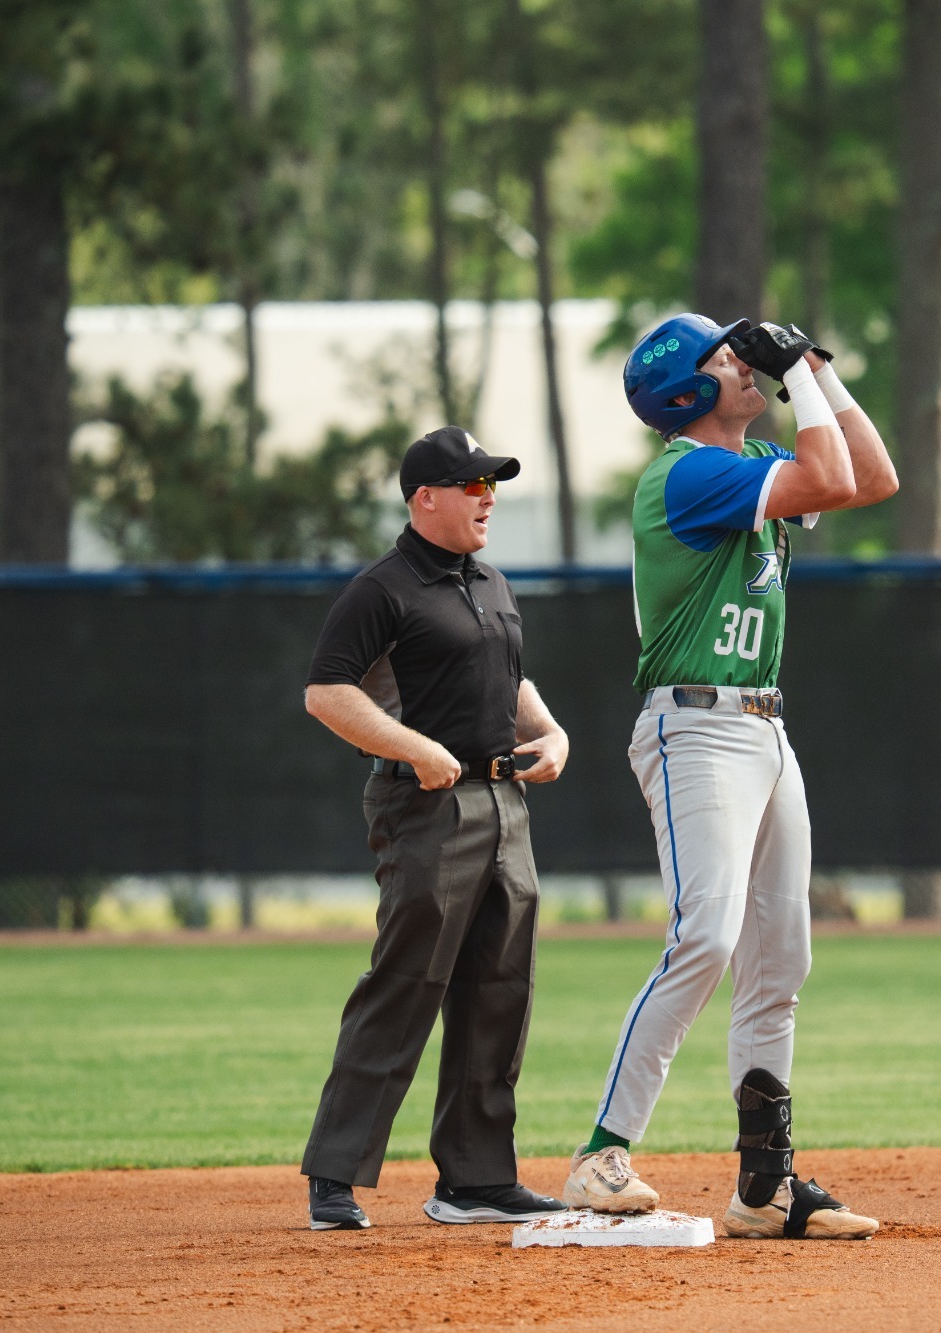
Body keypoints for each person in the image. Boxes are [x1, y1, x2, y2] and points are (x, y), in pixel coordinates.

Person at [560, 315, 898, 1239]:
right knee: (704, 936)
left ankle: (765, 1188)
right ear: (686, 394)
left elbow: (874, 476)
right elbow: (831, 475)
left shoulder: (746, 467)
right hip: (695, 729)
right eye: (721, 360)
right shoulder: (689, 471)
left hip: (763, 727)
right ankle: (601, 1153)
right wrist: (796, 375)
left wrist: (817, 370)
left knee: (780, 958)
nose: (742, 366)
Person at [299, 426, 571, 1232]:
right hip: (425, 808)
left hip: (504, 804)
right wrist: (415, 748)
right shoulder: (383, 588)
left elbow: (508, 675)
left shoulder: (487, 580)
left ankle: (476, 1180)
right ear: (426, 497)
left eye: (493, 483)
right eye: (473, 483)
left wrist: (550, 733)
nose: (488, 495)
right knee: (405, 983)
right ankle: (335, 1176)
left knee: (500, 992)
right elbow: (326, 692)